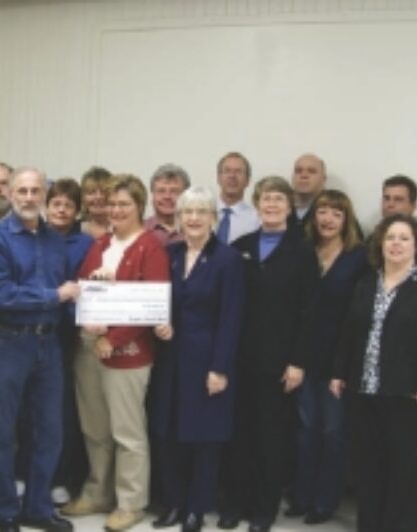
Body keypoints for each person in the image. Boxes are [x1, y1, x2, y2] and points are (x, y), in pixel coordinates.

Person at [62, 175, 169, 532]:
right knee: (95, 428)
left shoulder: (150, 247)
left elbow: (151, 305)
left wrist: (116, 337)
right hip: (90, 346)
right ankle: (98, 492)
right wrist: (87, 315)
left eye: (124, 204)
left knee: (127, 432)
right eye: (112, 204)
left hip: (128, 352)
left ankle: (131, 502)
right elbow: (83, 285)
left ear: (140, 206)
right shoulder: (101, 243)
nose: (117, 210)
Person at [331, 214, 417, 532]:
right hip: (365, 389)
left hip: (408, 393)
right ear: (380, 244)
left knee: (405, 470)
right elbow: (349, 332)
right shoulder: (366, 284)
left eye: (404, 238)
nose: (396, 244)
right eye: (390, 238)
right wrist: (339, 372)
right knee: (370, 468)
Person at [0, 166, 80, 532]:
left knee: (50, 430)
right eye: (21, 191)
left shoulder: (54, 240)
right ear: (9, 195)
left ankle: (38, 508)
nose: (27, 197)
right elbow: (1, 295)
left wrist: (94, 309)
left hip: (48, 342)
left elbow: (68, 292)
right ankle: (6, 511)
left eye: (35, 191)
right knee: (4, 431)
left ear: (44, 195)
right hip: (8, 340)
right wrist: (55, 296)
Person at [218, 176, 318, 532]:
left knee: (271, 439)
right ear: (257, 205)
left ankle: (264, 509)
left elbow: (310, 313)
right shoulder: (240, 246)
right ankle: (234, 504)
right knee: (238, 434)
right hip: (240, 359)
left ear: (290, 207)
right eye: (265, 199)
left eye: (278, 199)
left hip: (280, 364)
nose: (272, 205)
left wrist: (298, 362)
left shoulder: (303, 252)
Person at [149, 186, 244, 532]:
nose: (193, 218)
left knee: (204, 438)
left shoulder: (227, 259)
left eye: (201, 211)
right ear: (178, 218)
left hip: (207, 361)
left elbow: (231, 318)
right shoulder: (170, 253)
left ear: (212, 218)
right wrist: (160, 324)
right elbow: (157, 300)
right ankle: (174, 503)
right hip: (170, 359)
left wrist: (219, 368)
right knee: (168, 431)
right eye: (187, 212)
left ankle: (196, 509)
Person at [286, 189, 368, 524]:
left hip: (340, 360)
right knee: (305, 430)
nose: (328, 219)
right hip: (305, 356)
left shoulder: (359, 258)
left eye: (336, 213)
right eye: (322, 212)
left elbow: (361, 315)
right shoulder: (303, 252)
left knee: (333, 432)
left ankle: (325, 501)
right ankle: (302, 496)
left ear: (346, 219)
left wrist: (347, 365)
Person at [45, 178, 93, 503]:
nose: (61, 210)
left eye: (68, 205)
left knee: (63, 411)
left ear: (77, 211)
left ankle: (61, 478)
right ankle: (29, 475)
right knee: (31, 410)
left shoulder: (87, 243)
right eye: (56, 204)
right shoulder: (33, 236)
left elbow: (89, 286)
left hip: (69, 334)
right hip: (35, 329)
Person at [215, 152, 259, 245]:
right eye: (227, 171)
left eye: (238, 171)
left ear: (248, 180)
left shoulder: (257, 219)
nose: (232, 176)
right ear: (218, 178)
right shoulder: (204, 213)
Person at [144, 163, 190, 246]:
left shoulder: (198, 231)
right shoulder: (139, 231)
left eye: (174, 191)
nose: (167, 196)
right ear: (152, 196)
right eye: (161, 191)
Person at [288, 153, 327, 231]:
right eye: (298, 171)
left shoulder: (335, 210)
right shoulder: (278, 209)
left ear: (323, 179)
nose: (304, 175)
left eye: (311, 171)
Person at [80, 166, 112, 239]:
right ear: (83, 197)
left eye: (103, 192)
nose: (98, 197)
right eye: (91, 192)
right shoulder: (76, 230)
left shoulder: (123, 229)